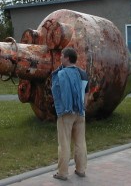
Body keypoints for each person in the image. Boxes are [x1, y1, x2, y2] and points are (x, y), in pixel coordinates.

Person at [51, 47, 89, 181]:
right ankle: (81, 170)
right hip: (80, 112)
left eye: (62, 56)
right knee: (80, 142)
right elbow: (86, 95)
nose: (60, 58)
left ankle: (62, 173)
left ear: (67, 58)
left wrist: (61, 109)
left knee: (64, 143)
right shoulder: (83, 73)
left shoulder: (62, 74)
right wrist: (82, 109)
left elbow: (58, 93)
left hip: (66, 113)